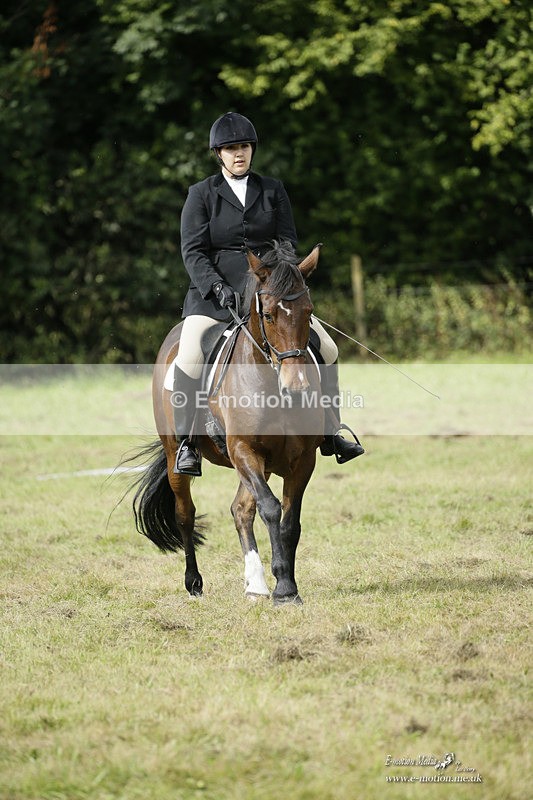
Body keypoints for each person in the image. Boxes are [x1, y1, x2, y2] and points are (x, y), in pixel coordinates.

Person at [173, 111, 364, 475]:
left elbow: (287, 241)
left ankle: (331, 430)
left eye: (243, 146)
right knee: (189, 353)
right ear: (219, 154)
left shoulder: (273, 189)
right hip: (216, 294)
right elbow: (192, 251)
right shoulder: (201, 194)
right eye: (230, 149)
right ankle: (187, 443)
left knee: (328, 347)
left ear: (252, 149)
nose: (238, 154)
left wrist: (280, 281)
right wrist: (215, 286)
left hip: (271, 292)